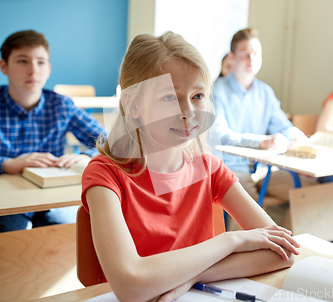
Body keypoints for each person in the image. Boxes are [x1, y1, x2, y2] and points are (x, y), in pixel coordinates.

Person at [81, 31, 300, 302]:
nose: (189, 111)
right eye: (170, 98)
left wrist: (192, 277)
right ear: (134, 105)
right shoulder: (105, 174)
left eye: (198, 95)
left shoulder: (210, 168)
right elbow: (130, 285)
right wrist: (230, 241)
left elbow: (284, 251)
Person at [0, 30, 106, 233]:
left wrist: (87, 156)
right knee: (9, 238)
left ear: (49, 69)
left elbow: (108, 141)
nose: (33, 70)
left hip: (50, 193)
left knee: (67, 229)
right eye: (22, 61)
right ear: (4, 66)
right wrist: (8, 164)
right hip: (5, 198)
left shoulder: (61, 105)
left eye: (41, 62)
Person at [213, 28, 312, 201]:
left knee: (310, 191)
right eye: (245, 54)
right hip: (231, 169)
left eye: (256, 54)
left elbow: (283, 126)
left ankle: (290, 229)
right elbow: (220, 135)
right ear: (231, 57)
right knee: (248, 206)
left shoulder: (265, 92)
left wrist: (294, 135)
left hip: (263, 170)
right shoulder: (217, 90)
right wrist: (261, 142)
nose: (251, 59)